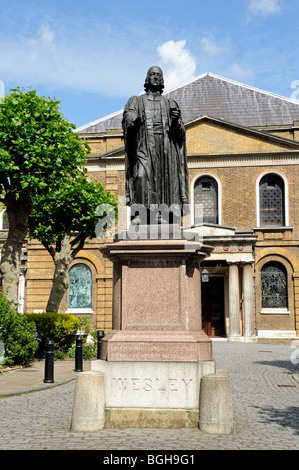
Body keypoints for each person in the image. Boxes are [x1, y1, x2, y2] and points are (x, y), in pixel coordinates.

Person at [122, 66, 188, 225]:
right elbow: (128, 115)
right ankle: (141, 214)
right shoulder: (136, 101)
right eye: (152, 74)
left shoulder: (170, 103)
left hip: (166, 147)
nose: (155, 77)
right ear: (147, 78)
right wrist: (133, 120)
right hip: (144, 145)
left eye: (158, 75)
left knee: (165, 180)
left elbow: (181, 134)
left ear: (162, 79)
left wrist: (176, 121)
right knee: (141, 176)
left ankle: (164, 215)